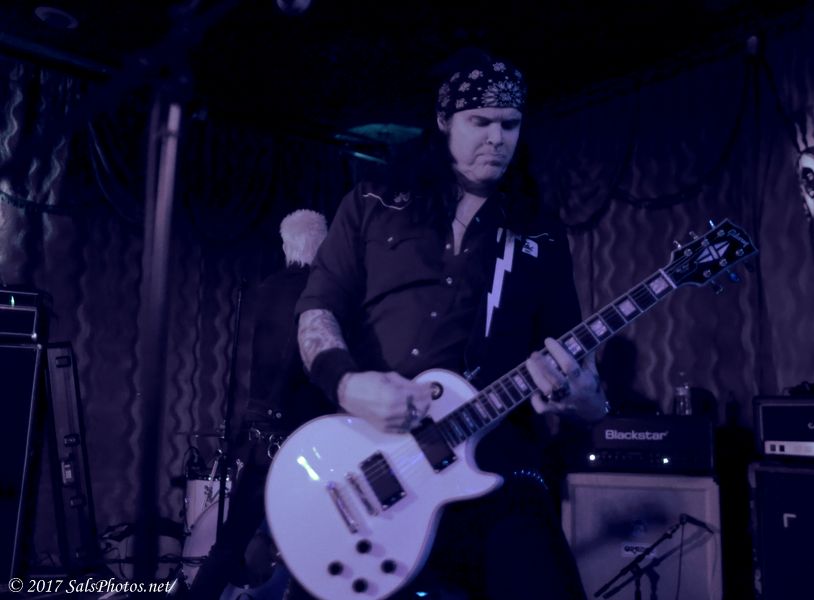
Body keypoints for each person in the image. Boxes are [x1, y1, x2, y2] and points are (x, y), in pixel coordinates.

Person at [294, 49, 608, 599]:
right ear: (444, 121)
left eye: (510, 124)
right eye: (479, 121)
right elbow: (317, 309)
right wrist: (346, 384)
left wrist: (586, 400)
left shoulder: (540, 233)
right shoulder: (372, 202)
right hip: (376, 460)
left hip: (498, 467)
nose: (497, 138)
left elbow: (577, 368)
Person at [185, 209, 329, 600]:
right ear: (325, 246)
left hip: (259, 432)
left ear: (286, 246)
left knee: (230, 542)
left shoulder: (266, 289)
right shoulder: (322, 294)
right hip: (301, 435)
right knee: (315, 545)